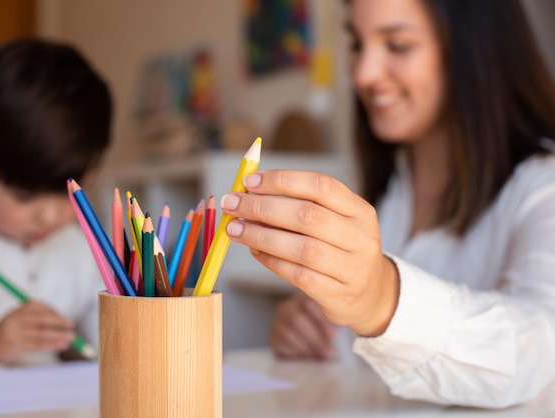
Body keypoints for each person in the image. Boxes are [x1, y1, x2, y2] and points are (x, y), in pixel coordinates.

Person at [219, 0, 555, 409]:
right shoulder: (381, 186)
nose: (363, 73)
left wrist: (383, 300)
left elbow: (540, 349)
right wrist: (305, 329)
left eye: (397, 45)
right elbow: (357, 360)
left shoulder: (542, 187)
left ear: (475, 49)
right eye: (357, 43)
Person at [0, 39, 112, 371]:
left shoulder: (80, 245)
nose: (52, 215)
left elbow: (107, 336)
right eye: (25, 196)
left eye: (72, 193)